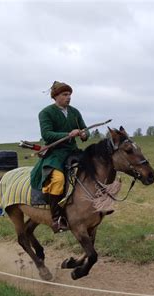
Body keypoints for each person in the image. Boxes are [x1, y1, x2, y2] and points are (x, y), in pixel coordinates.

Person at [30, 81, 88, 233]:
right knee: (58, 180)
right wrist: (68, 134)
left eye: (69, 95)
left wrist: (83, 134)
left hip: (73, 151)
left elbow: (85, 129)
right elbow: (46, 134)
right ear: (55, 96)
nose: (68, 98)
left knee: (93, 169)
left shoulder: (74, 112)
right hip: (55, 153)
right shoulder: (46, 113)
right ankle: (56, 218)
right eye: (65, 94)